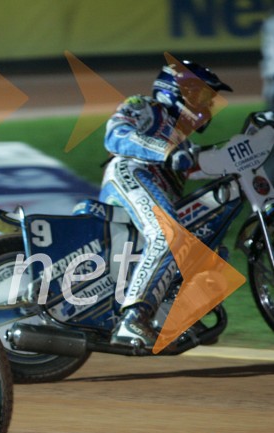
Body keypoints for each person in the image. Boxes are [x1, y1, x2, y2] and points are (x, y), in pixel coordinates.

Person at [99, 59, 232, 347]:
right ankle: (133, 319)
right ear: (178, 91)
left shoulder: (183, 141)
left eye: (209, 99)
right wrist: (166, 150)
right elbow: (115, 135)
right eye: (202, 96)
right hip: (128, 174)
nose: (207, 106)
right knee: (168, 235)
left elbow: (201, 165)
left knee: (211, 246)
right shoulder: (144, 106)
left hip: (148, 193)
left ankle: (170, 313)